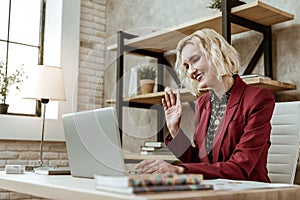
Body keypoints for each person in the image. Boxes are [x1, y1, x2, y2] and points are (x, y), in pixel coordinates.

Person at [135, 28, 275, 182]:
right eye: (187, 66)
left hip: (250, 191)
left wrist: (179, 169)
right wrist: (175, 130)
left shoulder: (258, 98)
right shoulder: (203, 103)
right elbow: (199, 162)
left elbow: (240, 167)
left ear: (217, 54)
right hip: (214, 190)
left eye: (195, 60)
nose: (190, 72)